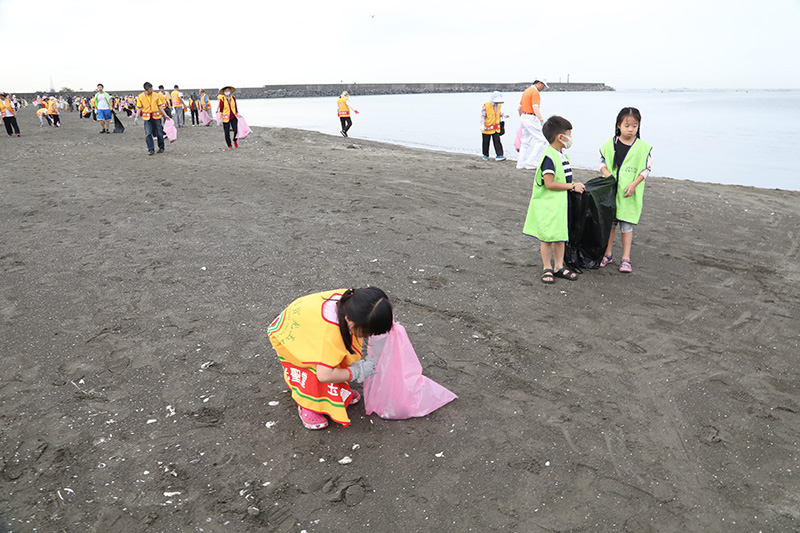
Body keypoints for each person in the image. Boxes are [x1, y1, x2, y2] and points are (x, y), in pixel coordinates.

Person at [267, 287, 394, 430]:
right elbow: (324, 375)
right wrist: (356, 371)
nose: (368, 335)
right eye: (367, 331)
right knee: (313, 370)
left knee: (336, 356)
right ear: (349, 320)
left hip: (309, 321)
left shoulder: (356, 302)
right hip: (292, 336)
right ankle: (308, 405)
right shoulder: (331, 334)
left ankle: (336, 390)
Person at [522, 115, 585, 284]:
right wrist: (572, 186)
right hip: (548, 205)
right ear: (560, 137)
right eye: (569, 134)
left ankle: (559, 266)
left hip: (560, 205)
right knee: (547, 237)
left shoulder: (560, 155)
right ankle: (546, 267)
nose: (570, 139)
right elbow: (549, 183)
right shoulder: (549, 157)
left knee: (560, 235)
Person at [598, 107, 653, 273]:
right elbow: (602, 161)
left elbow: (646, 169)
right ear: (618, 125)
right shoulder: (611, 144)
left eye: (635, 126)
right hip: (612, 191)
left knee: (626, 225)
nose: (631, 129)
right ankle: (607, 254)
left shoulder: (642, 147)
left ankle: (626, 258)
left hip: (629, 192)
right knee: (611, 224)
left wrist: (634, 184)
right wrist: (608, 176)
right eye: (627, 125)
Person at [516, 78, 549, 170]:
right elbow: (535, 107)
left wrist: (522, 117)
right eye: (543, 86)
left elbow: (519, 107)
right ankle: (531, 161)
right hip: (531, 117)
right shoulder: (535, 92)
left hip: (523, 116)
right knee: (541, 140)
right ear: (539, 83)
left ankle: (520, 163)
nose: (543, 88)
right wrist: (541, 119)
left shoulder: (526, 91)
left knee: (525, 141)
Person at [135, 82, 168, 156]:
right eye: (150, 89)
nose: (152, 90)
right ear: (146, 90)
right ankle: (151, 149)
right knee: (148, 133)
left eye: (152, 88)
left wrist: (165, 115)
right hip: (147, 118)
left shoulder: (156, 95)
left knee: (159, 133)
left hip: (156, 117)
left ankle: (161, 147)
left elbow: (160, 106)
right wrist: (136, 117)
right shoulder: (140, 97)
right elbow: (139, 108)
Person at [481, 91, 508, 161]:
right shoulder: (486, 105)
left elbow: (498, 113)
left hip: (496, 128)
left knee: (497, 141)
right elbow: (483, 116)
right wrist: (482, 124)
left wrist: (503, 114)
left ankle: (499, 155)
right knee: (486, 142)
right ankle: (485, 155)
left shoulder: (498, 105)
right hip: (487, 128)